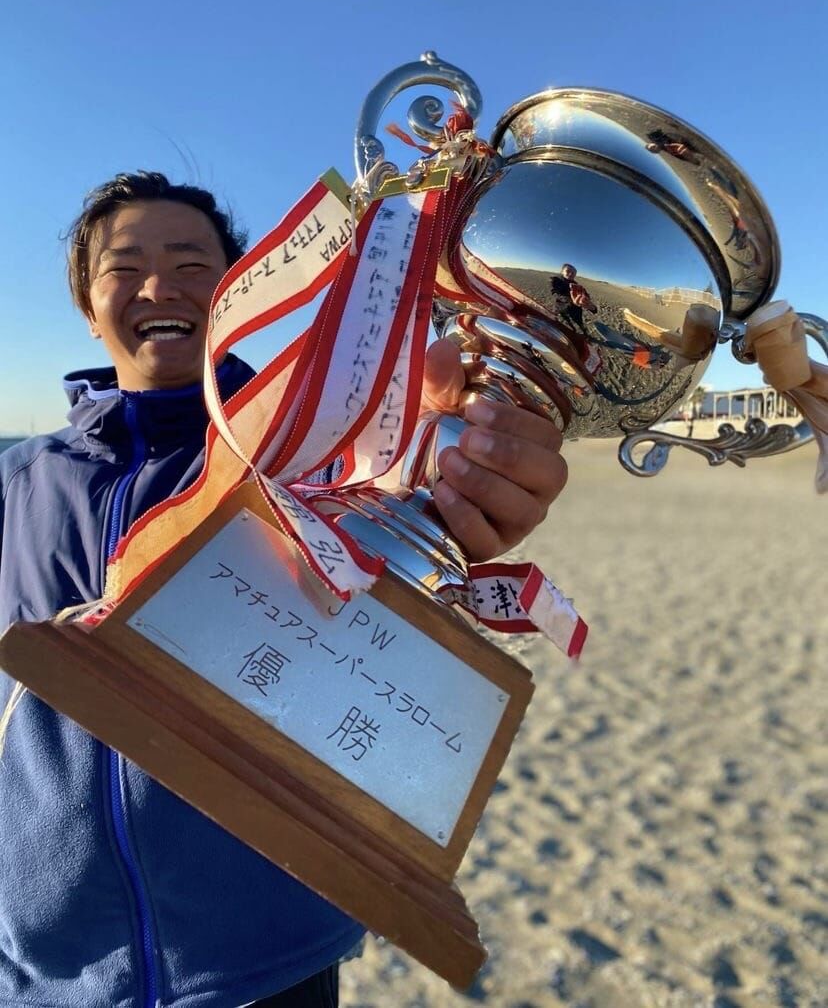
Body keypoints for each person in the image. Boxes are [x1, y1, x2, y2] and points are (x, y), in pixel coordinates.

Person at [0, 172, 568, 1008]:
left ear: (240, 292)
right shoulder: (15, 480)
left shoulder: (320, 451)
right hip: (43, 962)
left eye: (193, 264)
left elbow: (415, 512)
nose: (159, 285)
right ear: (90, 307)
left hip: (266, 959)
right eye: (125, 266)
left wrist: (466, 476)